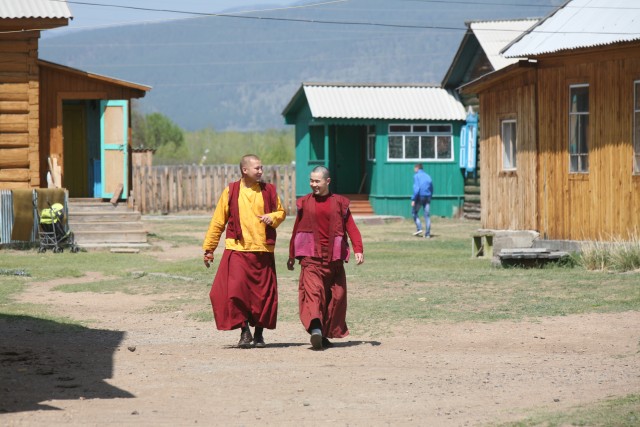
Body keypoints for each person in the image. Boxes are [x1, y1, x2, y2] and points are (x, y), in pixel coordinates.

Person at [202, 154, 286, 349]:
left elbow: (281, 212)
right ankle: (244, 330)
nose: (261, 171)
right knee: (235, 292)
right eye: (257, 168)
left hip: (262, 250)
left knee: (263, 295)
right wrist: (209, 248)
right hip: (237, 248)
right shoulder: (231, 191)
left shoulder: (269, 190)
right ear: (244, 170)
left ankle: (259, 334)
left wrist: (272, 218)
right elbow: (218, 221)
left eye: (261, 168)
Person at [287, 166, 364, 350]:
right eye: (311, 180)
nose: (313, 184)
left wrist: (358, 249)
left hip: (334, 261)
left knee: (336, 297)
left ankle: (323, 334)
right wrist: (291, 254)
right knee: (314, 294)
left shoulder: (340, 203)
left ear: (327, 181)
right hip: (311, 259)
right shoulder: (304, 203)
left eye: (317, 181)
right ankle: (315, 328)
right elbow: (296, 229)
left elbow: (351, 227)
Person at [411, 163, 433, 238]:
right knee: (427, 215)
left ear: (417, 168)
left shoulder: (416, 176)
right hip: (428, 196)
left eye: (414, 168)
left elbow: (416, 188)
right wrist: (430, 196)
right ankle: (428, 234)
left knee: (414, 212)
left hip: (420, 196)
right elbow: (431, 188)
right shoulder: (428, 176)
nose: (414, 170)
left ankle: (419, 228)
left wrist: (413, 199)